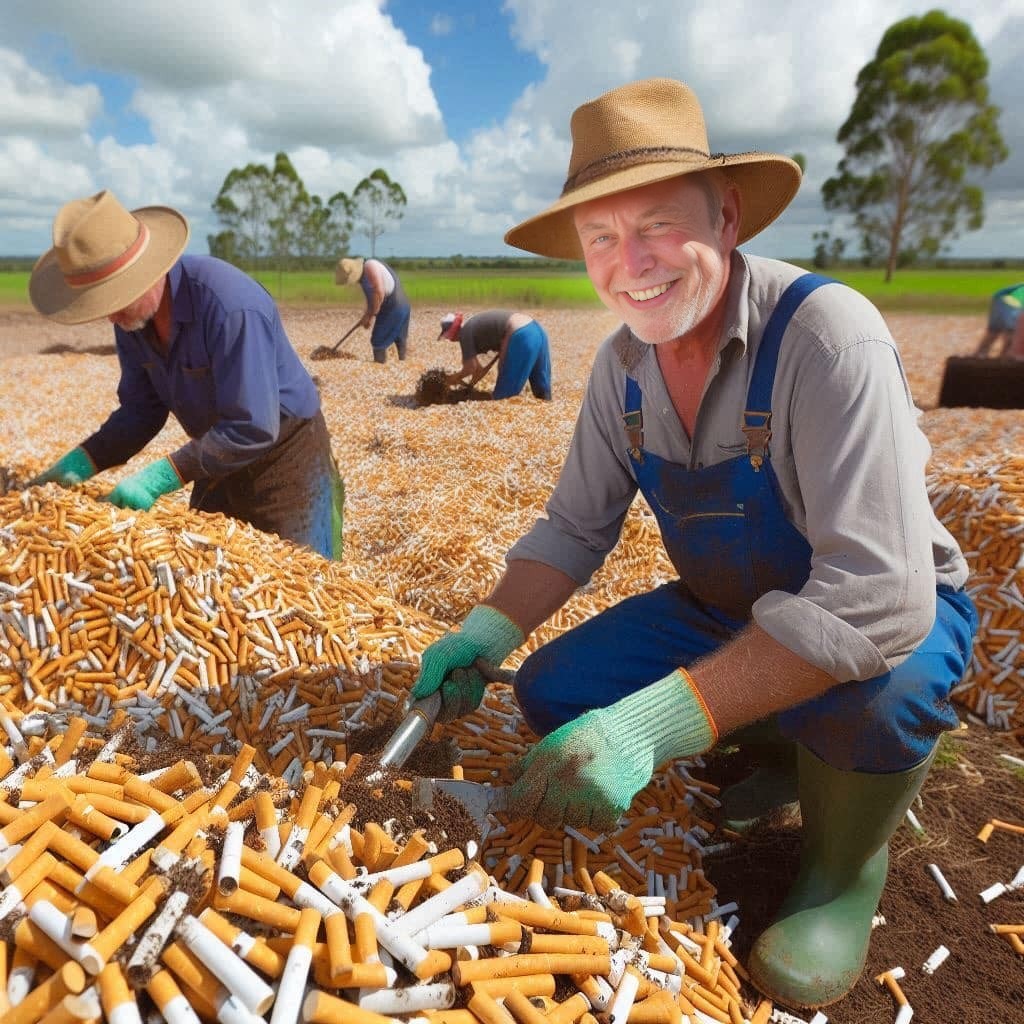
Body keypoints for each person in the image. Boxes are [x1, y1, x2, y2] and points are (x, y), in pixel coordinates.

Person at [405, 79, 976, 1009]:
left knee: (879, 698)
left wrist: (649, 727)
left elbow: (880, 593)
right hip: (730, 608)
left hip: (891, 617)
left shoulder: (827, 337)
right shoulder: (622, 367)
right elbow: (574, 526)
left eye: (659, 225)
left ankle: (841, 872)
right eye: (601, 238)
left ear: (729, 216)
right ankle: (787, 752)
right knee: (555, 690)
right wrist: (486, 633)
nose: (630, 263)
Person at [28, 190, 344, 560]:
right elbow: (141, 411)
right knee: (210, 573)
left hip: (284, 453)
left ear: (147, 272)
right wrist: (82, 462)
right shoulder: (132, 321)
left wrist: (159, 477)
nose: (111, 317)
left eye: (115, 299)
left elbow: (253, 426)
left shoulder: (230, 306)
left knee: (301, 580)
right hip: (215, 448)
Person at [439, 311, 552, 400]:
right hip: (537, 330)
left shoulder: (464, 334)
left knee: (503, 399)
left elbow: (470, 368)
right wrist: (469, 384)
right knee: (543, 395)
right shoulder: (474, 326)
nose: (449, 339)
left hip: (521, 335)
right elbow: (479, 369)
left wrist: (451, 379)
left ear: (451, 333)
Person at [335, 256, 411, 363]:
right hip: (400, 305)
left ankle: (379, 366)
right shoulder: (365, 274)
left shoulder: (370, 266)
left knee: (378, 340)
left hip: (394, 306)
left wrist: (370, 315)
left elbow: (379, 292)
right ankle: (403, 363)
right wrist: (368, 317)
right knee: (399, 337)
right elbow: (372, 300)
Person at [972, 282, 1024, 357]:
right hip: (1010, 301)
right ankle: (1004, 359)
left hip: (1001, 299)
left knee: (995, 332)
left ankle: (980, 355)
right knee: (1011, 333)